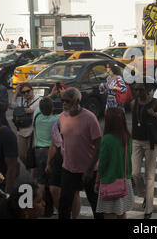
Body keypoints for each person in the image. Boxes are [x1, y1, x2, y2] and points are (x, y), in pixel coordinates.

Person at [57, 88, 102, 219]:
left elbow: (98, 144)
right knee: (64, 206)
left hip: (88, 170)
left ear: (76, 101)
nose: (64, 104)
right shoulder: (62, 117)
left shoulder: (90, 118)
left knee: (96, 206)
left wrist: (89, 169)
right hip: (68, 169)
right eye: (62, 101)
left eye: (67, 101)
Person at [129, 83, 157, 219]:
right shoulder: (133, 103)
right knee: (134, 173)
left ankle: (149, 209)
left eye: (141, 89)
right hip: (136, 141)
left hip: (151, 142)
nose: (138, 92)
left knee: (149, 176)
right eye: (136, 89)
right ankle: (145, 195)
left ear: (147, 90)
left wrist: (155, 115)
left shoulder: (155, 103)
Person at [95, 108, 134, 219]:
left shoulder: (107, 139)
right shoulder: (127, 137)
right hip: (124, 181)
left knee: (109, 213)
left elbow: (102, 164)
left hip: (110, 181)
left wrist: (97, 181)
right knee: (121, 213)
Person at [32, 97, 59, 213]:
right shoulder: (56, 119)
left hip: (38, 150)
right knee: (53, 181)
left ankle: (39, 203)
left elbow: (39, 107)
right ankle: (57, 207)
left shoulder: (36, 115)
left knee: (40, 180)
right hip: (51, 151)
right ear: (52, 108)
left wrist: (50, 96)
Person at [10, 82, 42, 167]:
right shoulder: (21, 100)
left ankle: (33, 175)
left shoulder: (38, 100)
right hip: (21, 131)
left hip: (33, 131)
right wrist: (16, 93)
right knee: (22, 155)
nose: (26, 94)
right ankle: (30, 169)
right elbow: (12, 105)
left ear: (32, 90)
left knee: (31, 154)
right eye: (23, 92)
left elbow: (44, 111)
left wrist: (34, 111)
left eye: (28, 91)